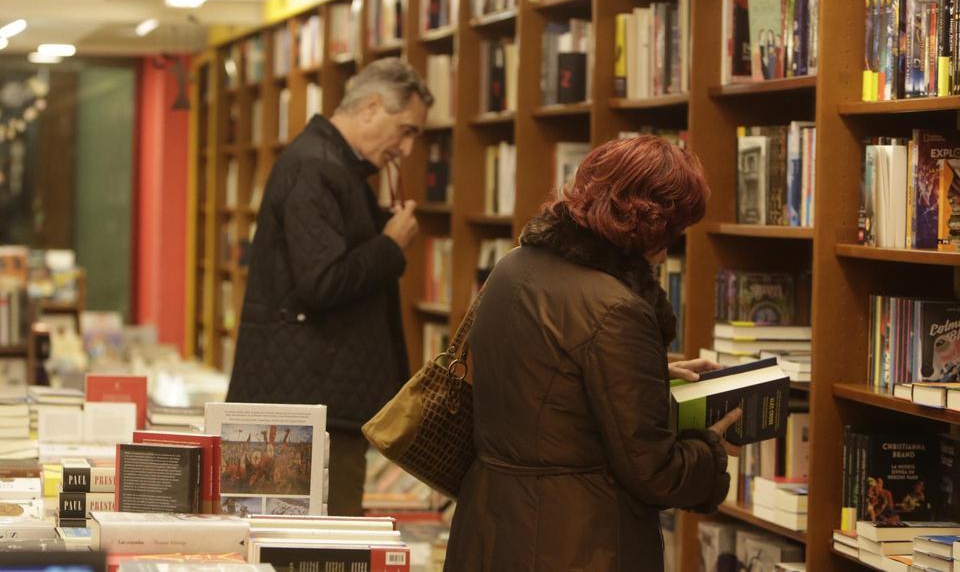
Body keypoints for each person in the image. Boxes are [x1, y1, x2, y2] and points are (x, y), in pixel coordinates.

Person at [444, 136, 740, 571]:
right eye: (675, 230)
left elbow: (545, 374)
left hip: (491, 522)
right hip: (576, 540)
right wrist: (712, 446)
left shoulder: (515, 265)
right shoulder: (616, 307)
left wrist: (651, 373)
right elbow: (654, 471)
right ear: (652, 224)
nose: (670, 247)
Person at [226, 57, 432, 516]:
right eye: (406, 130)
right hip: (308, 409)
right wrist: (390, 246)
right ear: (372, 107)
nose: (407, 148)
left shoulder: (331, 164)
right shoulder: (317, 166)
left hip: (314, 399)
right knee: (320, 550)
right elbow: (320, 282)